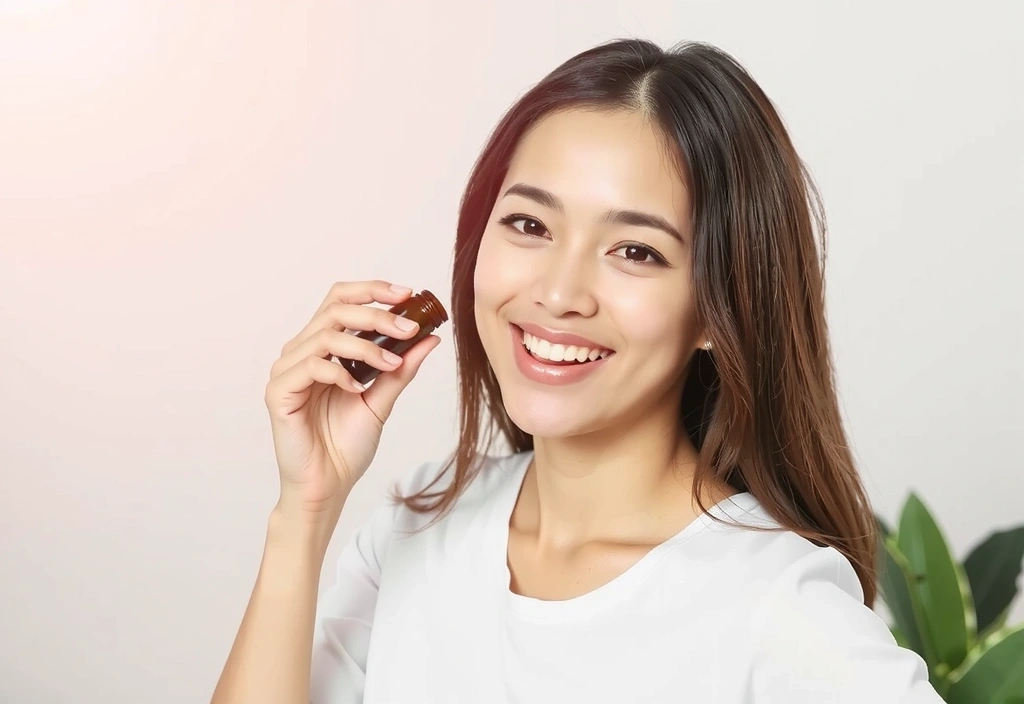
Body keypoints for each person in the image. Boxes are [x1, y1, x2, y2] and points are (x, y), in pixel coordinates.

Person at [211, 39, 943, 703]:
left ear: (720, 311)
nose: (558, 294)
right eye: (530, 225)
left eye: (636, 251)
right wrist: (304, 511)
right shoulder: (416, 526)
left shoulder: (775, 603)